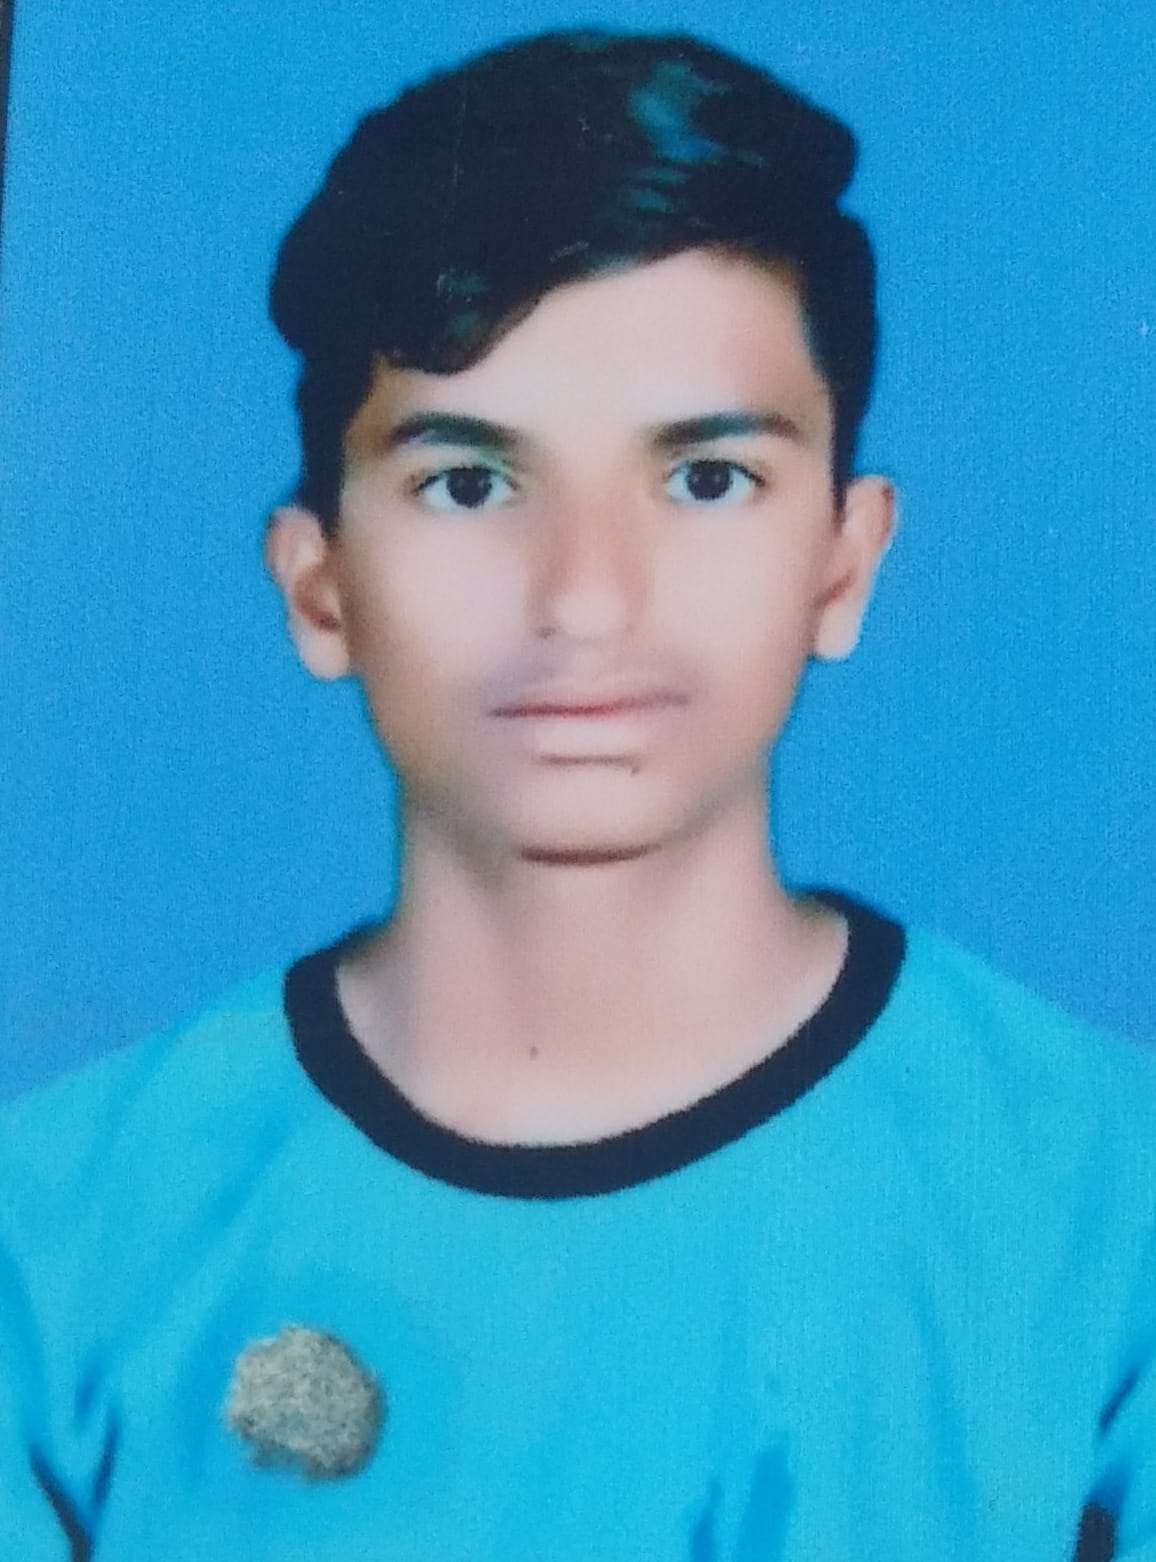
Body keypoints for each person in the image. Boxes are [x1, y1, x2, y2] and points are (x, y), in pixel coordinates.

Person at [1, 27, 1152, 1561]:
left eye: (706, 478)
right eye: (469, 481)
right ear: (319, 582)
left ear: (845, 558)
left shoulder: (1106, 1205)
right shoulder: (54, 1237)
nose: (587, 599)